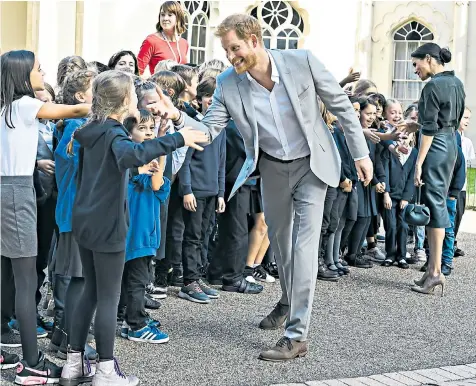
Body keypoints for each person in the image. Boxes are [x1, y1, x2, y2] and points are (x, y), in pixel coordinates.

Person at [147, 13, 372, 361]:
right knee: (281, 249)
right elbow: (208, 132)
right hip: (272, 169)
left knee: (303, 247)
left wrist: (360, 154)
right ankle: (288, 298)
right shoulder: (227, 83)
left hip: (313, 164)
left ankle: (296, 335)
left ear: (254, 39)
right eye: (226, 50)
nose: (231, 56)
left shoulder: (302, 61)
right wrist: (177, 117)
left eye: (235, 48)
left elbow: (341, 106)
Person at [59, 70, 207, 386]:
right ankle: (105, 370)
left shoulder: (92, 129)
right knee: (108, 296)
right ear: (126, 100)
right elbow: (132, 154)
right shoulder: (113, 133)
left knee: (91, 293)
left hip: (85, 220)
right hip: (107, 224)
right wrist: (179, 138)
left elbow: (112, 167)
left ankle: (74, 364)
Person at [1, 49, 90, 385]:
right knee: (26, 280)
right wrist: (108, 101)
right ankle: (32, 362)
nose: (42, 74)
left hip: (4, 188)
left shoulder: (4, 107)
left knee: (6, 272)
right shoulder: (24, 106)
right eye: (38, 69)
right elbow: (76, 108)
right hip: (16, 191)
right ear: (24, 75)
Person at [409, 43, 465, 295]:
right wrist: (415, 127)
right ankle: (434, 269)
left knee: (435, 204)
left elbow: (431, 129)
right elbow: (446, 120)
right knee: (436, 204)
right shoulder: (457, 83)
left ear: (429, 59)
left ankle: (434, 272)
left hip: (437, 147)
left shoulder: (432, 86)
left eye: (416, 64)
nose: (415, 70)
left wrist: (418, 163)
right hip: (450, 143)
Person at [137, 1, 188, 76]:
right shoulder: (151, 41)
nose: (165, 18)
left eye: (170, 15)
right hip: (158, 86)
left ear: (178, 18)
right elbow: (137, 71)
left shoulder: (184, 43)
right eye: (162, 15)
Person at [454, 107, 474, 257]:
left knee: (458, 214)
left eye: (469, 118)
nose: (467, 121)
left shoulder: (467, 142)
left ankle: (453, 242)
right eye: (465, 118)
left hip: (462, 185)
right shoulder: (451, 138)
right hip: (449, 185)